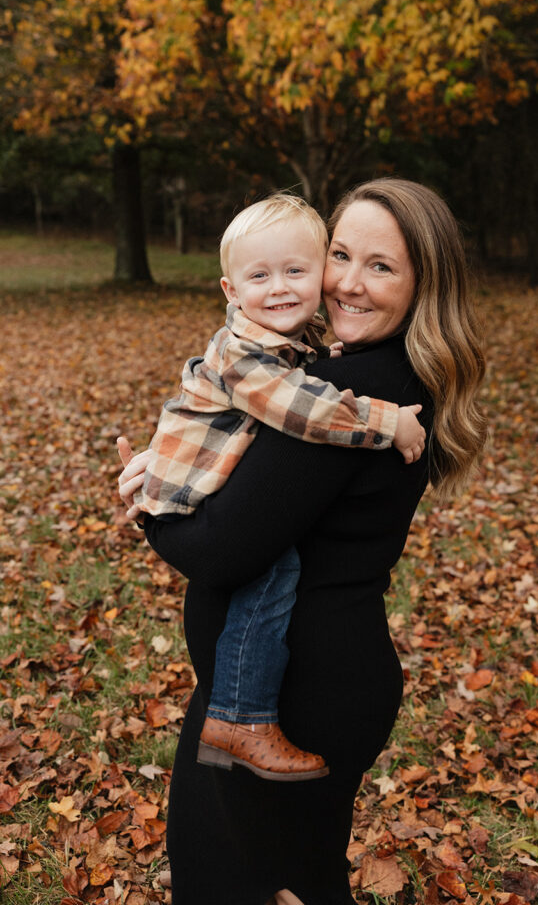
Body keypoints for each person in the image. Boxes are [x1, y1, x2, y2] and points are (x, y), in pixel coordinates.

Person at [118, 178, 487, 905]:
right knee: (271, 878)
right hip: (277, 686)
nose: (348, 282)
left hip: (294, 697)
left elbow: (219, 553)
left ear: (423, 283)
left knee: (258, 886)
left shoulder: (350, 397)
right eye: (339, 254)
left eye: (380, 266)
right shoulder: (372, 374)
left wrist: (149, 507)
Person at [133, 193, 425, 782]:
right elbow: (305, 412)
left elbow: (229, 544)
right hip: (188, 492)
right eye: (342, 256)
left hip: (319, 678)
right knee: (272, 574)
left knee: (273, 570)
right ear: (230, 291)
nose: (282, 287)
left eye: (298, 270)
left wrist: (151, 513)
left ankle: (241, 715)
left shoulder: (316, 357)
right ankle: (240, 716)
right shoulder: (249, 353)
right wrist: (384, 420)